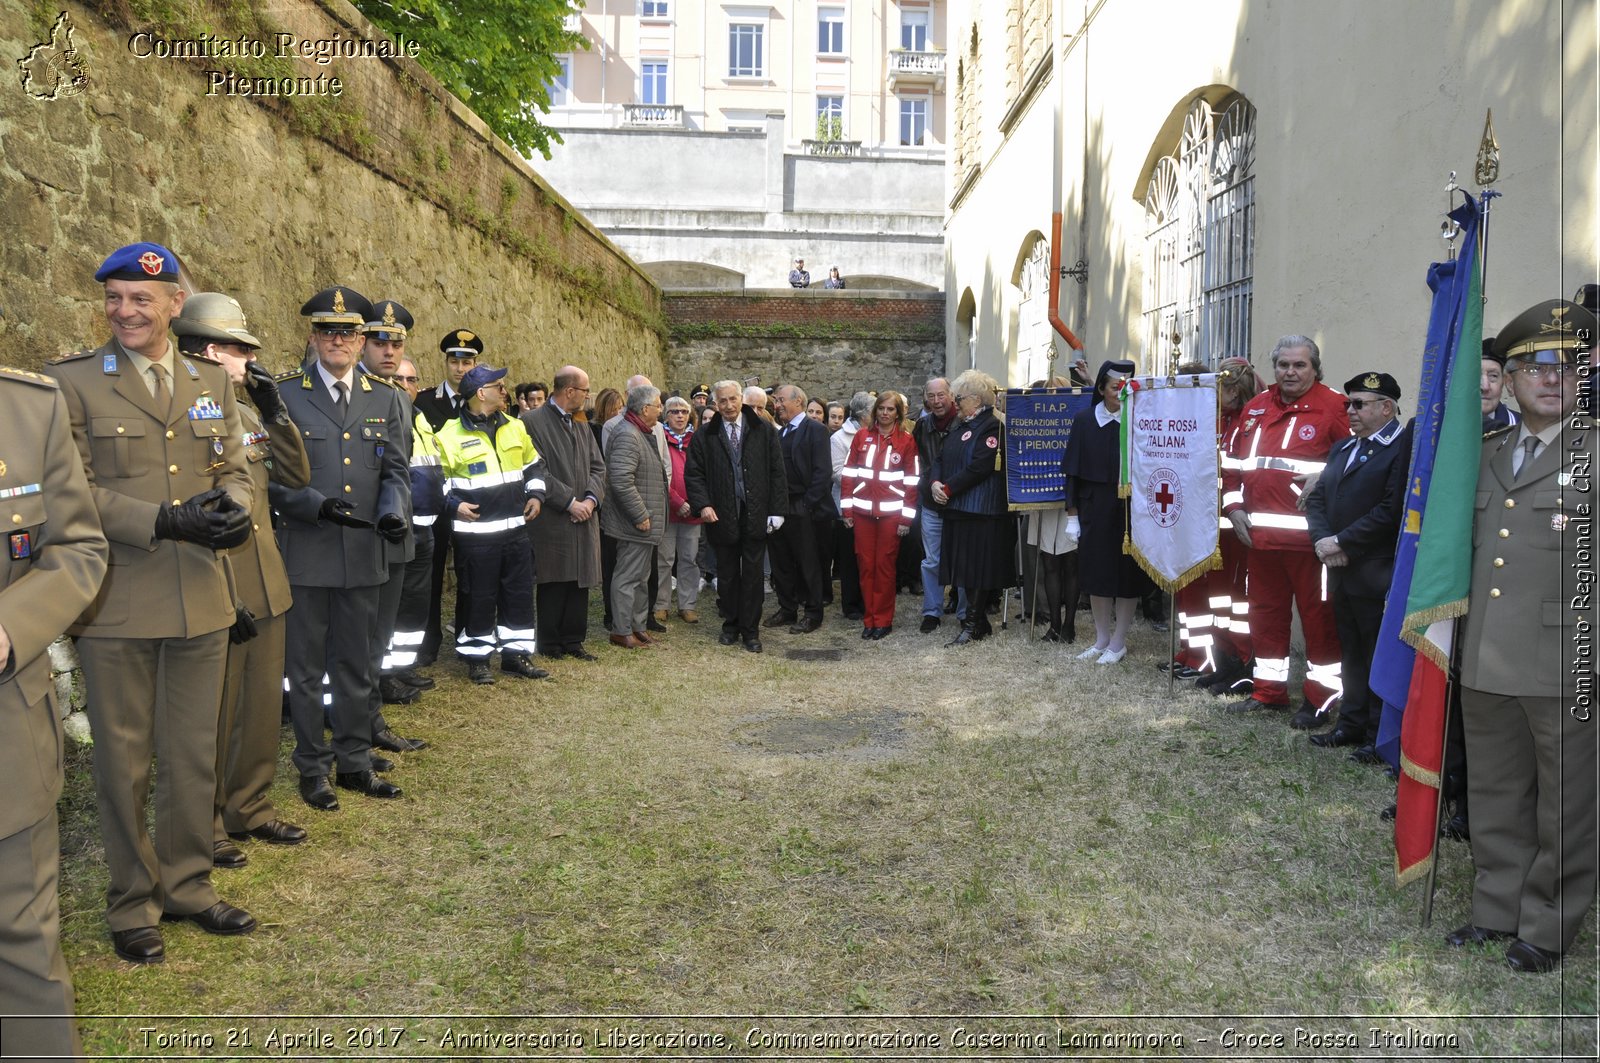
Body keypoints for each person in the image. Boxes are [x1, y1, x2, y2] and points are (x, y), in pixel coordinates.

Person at [48, 242, 257, 963]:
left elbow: (235, 463)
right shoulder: (71, 383)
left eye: (142, 299)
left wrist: (232, 505)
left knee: (195, 755)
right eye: (114, 298)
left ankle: (189, 885)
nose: (125, 311)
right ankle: (132, 901)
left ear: (175, 303)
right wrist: (161, 520)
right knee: (124, 763)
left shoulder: (209, 379)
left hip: (201, 596)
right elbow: (68, 492)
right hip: (118, 604)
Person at [1446, 298, 1597, 973]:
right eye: (1533, 365)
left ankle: (1547, 922)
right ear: (1506, 379)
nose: (1550, 377)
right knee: (1497, 790)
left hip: (1565, 657)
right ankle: (1496, 906)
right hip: (1486, 653)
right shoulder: (1484, 452)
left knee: (1565, 801)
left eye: (1565, 365)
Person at [169, 294, 311, 871]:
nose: (251, 359)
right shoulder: (181, 415)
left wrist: (275, 411)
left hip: (264, 576)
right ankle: (203, 824)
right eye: (240, 349)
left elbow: (296, 477)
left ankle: (248, 806)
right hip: (215, 579)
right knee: (212, 714)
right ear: (208, 350)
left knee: (257, 706)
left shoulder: (246, 413)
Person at [0, 365, 106, 1054]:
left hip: (5, 730)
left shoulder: (27, 408)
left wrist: (12, 627)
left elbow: (78, 549)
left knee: (23, 945)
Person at [272, 285, 411, 809]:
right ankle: (312, 766)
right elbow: (267, 474)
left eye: (348, 332)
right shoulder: (285, 394)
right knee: (305, 671)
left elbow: (396, 469)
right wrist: (309, 504)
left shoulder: (388, 396)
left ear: (361, 339)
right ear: (313, 337)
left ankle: (353, 761)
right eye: (328, 332)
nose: (339, 341)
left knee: (357, 664)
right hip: (306, 551)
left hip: (363, 554)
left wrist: (393, 510)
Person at [1221, 335, 1350, 727]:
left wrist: (1326, 475)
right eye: (1283, 365)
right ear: (1273, 368)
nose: (1290, 372)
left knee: (1319, 621)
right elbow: (1232, 465)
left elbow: (1357, 462)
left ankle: (1322, 698)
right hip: (1259, 540)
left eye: (1300, 365)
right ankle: (1268, 691)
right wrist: (1234, 507)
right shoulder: (1256, 408)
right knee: (1266, 617)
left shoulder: (1335, 408)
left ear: (1315, 368)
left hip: (1311, 545)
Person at [1304, 372, 1411, 758]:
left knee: (1376, 653)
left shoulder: (1402, 448)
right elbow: (1316, 499)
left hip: (1375, 570)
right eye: (1349, 403)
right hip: (1339, 568)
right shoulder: (1344, 448)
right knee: (1350, 649)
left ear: (1387, 407)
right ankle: (1349, 723)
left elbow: (1391, 508)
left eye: (1359, 404)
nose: (1350, 411)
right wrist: (1323, 541)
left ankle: (1376, 734)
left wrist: (1344, 541)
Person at [434, 364, 547, 682]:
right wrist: (453, 505)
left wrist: (536, 495)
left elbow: (534, 466)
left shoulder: (515, 426)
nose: (504, 390)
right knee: (479, 596)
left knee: (519, 594)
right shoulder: (448, 436)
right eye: (498, 386)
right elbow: (436, 483)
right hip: (476, 538)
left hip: (515, 532)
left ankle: (516, 655)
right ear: (481, 393)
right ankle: (478, 658)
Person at [684, 380, 788, 653]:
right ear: (715, 404)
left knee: (753, 576)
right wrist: (703, 504)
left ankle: (750, 631)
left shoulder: (763, 429)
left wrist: (777, 510)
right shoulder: (705, 434)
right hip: (721, 514)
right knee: (727, 575)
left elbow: (777, 470)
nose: (728, 406)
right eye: (722, 401)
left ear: (741, 398)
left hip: (755, 512)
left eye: (733, 399)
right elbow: (694, 474)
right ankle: (730, 624)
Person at [1062, 360, 1151, 663]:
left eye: (1126, 386)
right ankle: (1101, 638)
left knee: (1126, 575)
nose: (1121, 392)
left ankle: (1119, 641)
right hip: (1093, 507)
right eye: (1115, 386)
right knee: (1097, 573)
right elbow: (1072, 472)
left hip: (1130, 508)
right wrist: (1072, 516)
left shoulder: (1139, 419)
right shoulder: (1085, 421)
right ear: (1101, 388)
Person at [521, 365, 606, 662]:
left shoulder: (581, 421)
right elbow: (536, 469)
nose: (587, 396)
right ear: (569, 391)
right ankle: (550, 641)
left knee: (579, 580)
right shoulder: (531, 421)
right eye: (584, 390)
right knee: (554, 578)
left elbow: (598, 465)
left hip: (584, 514)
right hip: (554, 517)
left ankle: (574, 639)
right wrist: (570, 502)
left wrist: (591, 500)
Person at [412, 329, 480, 667]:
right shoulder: (424, 402)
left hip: (472, 501)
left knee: (471, 571)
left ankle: (469, 636)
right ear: (446, 363)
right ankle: (428, 640)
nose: (461, 368)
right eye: (455, 361)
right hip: (435, 502)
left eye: (467, 361)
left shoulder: (482, 402)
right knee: (431, 573)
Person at [1193, 357, 1260, 696]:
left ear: (1234, 390)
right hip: (1215, 525)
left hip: (1240, 525)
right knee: (1218, 596)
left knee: (1239, 600)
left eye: (1219, 388)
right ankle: (1224, 661)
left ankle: (1246, 661)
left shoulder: (1251, 421)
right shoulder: (1221, 420)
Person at [932, 370, 1012, 646]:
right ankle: (976, 622)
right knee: (963, 568)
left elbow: (980, 465)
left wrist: (948, 488)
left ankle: (974, 623)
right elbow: (940, 458)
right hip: (958, 509)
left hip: (982, 510)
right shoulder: (960, 426)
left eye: (959, 397)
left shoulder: (992, 426)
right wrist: (935, 483)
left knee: (977, 568)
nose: (955, 403)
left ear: (976, 400)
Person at [841, 390, 918, 638]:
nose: (885, 413)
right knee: (865, 567)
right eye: (881, 409)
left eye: (890, 409)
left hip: (891, 517)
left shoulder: (907, 441)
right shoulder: (862, 437)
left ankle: (883, 620)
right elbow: (848, 475)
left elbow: (912, 482)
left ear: (898, 413)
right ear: (875, 412)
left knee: (884, 568)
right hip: (862, 513)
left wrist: (906, 520)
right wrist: (847, 509)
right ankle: (869, 619)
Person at [603, 385, 668, 648]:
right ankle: (621, 629)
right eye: (658, 405)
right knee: (627, 577)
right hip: (634, 523)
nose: (661, 410)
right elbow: (620, 480)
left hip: (644, 523)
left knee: (641, 578)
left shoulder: (640, 432)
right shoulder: (628, 435)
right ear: (645, 409)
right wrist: (639, 514)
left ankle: (637, 626)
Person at [767, 384, 836, 634]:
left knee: (808, 563)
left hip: (804, 507)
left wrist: (807, 504)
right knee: (781, 561)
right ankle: (787, 608)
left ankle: (813, 613)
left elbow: (822, 473)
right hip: (779, 507)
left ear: (798, 402)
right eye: (775, 400)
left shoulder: (815, 430)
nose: (777, 405)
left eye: (781, 400)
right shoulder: (781, 433)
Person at [913, 376, 961, 633]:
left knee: (962, 559)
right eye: (931, 396)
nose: (936, 401)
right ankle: (932, 611)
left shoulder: (964, 423)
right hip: (931, 503)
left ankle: (964, 611)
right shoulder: (921, 426)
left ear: (951, 395)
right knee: (932, 560)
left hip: (961, 502)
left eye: (941, 395)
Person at [658, 395, 704, 623]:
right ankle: (661, 603)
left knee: (689, 559)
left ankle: (687, 604)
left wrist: (695, 503)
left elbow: (704, 474)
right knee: (664, 559)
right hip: (668, 509)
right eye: (674, 411)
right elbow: (659, 476)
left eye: (684, 412)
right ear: (666, 415)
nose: (679, 415)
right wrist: (677, 502)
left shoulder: (697, 440)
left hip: (693, 511)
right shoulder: (659, 438)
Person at [829, 391, 873, 620]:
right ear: (863, 414)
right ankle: (851, 604)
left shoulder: (874, 434)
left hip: (871, 505)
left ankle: (868, 599)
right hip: (847, 506)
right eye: (873, 411)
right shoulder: (839, 439)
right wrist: (869, 479)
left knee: (866, 556)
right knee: (849, 558)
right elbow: (837, 473)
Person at [1480, 338, 1518, 434]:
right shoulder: (1441, 427)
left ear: (1504, 382)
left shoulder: (1521, 428)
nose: (1485, 387)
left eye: (1493, 376)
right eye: (1476, 376)